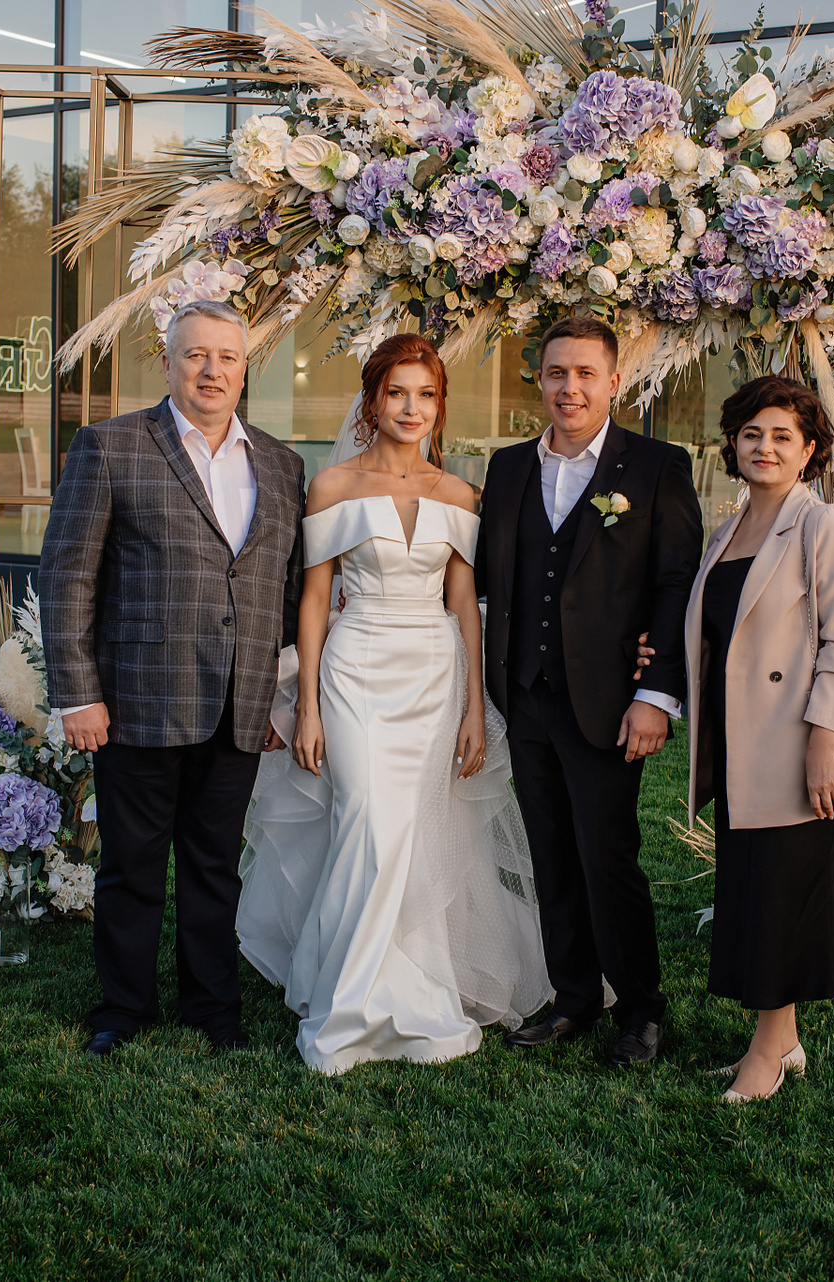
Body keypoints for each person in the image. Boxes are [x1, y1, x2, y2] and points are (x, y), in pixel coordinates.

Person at [238, 334, 551, 1074]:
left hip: (433, 676)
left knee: (412, 832)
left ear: (439, 406)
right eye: (398, 393)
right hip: (354, 671)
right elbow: (314, 602)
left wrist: (474, 709)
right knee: (368, 822)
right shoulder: (333, 486)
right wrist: (306, 707)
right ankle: (350, 1002)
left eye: (427, 395)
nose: (412, 408)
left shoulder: (459, 494)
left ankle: (411, 985)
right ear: (372, 402)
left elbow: (464, 606)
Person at [39, 298, 306, 1058]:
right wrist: (79, 695)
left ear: (245, 370)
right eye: (196, 355)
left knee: (215, 868)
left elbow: (285, 593)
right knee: (131, 868)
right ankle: (123, 1009)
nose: (212, 371)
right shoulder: (111, 446)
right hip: (136, 701)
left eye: (227, 357)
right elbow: (67, 577)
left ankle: (213, 1009)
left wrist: (276, 695)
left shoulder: (282, 465)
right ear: (167, 362)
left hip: (238, 705)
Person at [476, 315, 703, 1068]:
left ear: (614, 382)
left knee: (607, 856)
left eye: (584, 374)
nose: (569, 388)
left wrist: (657, 695)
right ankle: (573, 996)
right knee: (550, 855)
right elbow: (488, 574)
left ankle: (638, 1010)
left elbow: (676, 585)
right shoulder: (508, 467)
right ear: (539, 380)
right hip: (525, 693)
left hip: (610, 701)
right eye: (556, 373)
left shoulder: (657, 466)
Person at [684, 375, 834, 1103]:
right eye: (752, 433)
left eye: (783, 436)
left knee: (782, 897)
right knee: (754, 891)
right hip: (741, 745)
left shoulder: (823, 526)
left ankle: (766, 1054)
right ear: (732, 443)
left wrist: (824, 741)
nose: (765, 447)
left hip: (796, 744)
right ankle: (782, 1042)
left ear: (810, 450)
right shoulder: (726, 532)